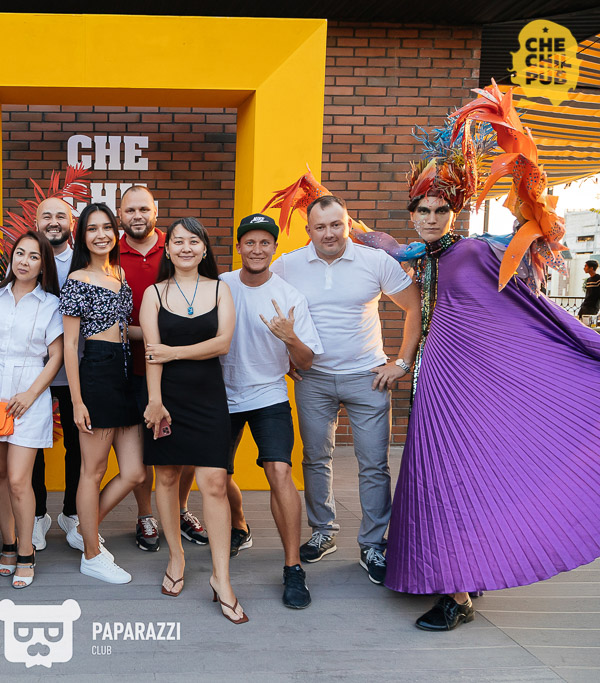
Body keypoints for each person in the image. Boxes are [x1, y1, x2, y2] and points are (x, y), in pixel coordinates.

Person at [384, 85, 600, 631]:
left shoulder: (477, 250)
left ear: (454, 213)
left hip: (476, 382)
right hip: (436, 380)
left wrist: (530, 188)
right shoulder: (419, 255)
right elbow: (376, 243)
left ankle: (457, 595)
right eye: (423, 210)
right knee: (434, 475)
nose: (431, 217)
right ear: (413, 214)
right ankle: (457, 573)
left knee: (462, 474)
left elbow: (535, 239)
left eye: (441, 210)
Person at [270, 194, 421, 585]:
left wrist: (402, 363)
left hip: (368, 377)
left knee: (373, 464)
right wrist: (285, 356)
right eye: (320, 227)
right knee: (315, 458)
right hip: (313, 378)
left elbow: (413, 306)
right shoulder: (286, 265)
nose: (329, 233)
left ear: (348, 224)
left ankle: (373, 545)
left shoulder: (376, 262)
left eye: (336, 224)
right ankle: (324, 531)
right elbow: (266, 310)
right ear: (308, 230)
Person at [138, 217, 246, 624]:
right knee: (166, 477)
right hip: (166, 397)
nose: (186, 248)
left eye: (193, 241)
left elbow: (223, 343)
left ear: (204, 249)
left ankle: (222, 578)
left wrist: (175, 352)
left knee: (214, 482)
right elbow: (152, 352)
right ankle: (177, 557)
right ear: (167, 249)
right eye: (178, 241)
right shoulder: (153, 293)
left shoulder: (220, 289)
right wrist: (154, 402)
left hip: (207, 397)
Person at [219, 213, 324, 609]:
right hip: (222, 394)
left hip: (268, 394)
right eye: (250, 242)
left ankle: (293, 567)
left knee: (279, 471)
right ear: (239, 247)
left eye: (265, 243)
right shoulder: (221, 286)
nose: (257, 249)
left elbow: (306, 361)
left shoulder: (289, 296)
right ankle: (239, 525)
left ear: (274, 249)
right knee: (217, 475)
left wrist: (290, 338)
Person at [59, 202, 145, 584]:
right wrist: (77, 401)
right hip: (96, 372)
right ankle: (92, 555)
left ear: (116, 231)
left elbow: (125, 328)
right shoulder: (78, 279)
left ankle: (84, 528)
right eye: (92, 229)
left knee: (134, 472)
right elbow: (70, 345)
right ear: (82, 236)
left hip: (125, 374)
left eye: (106, 227)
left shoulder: (120, 274)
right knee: (92, 472)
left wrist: (166, 333)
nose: (101, 235)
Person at [118, 185, 206, 553]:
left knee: (184, 447)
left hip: (179, 367)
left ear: (155, 211)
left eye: (144, 209)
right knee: (143, 449)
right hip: (129, 370)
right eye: (130, 210)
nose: (137, 216)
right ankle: (145, 515)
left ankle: (181, 509)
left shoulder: (176, 247)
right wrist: (147, 335)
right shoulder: (110, 253)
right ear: (120, 215)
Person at [0, 231, 64, 588]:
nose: (25, 261)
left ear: (43, 265)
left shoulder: (50, 304)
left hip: (30, 394)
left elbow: (56, 355)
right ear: (11, 257)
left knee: (19, 479)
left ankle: (27, 550)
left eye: (34, 256)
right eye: (20, 253)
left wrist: (31, 394)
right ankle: (8, 543)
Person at [30, 196, 81, 550]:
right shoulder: (26, 259)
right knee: (32, 445)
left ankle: (72, 513)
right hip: (37, 370)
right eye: (46, 216)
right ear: (37, 223)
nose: (53, 222)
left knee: (78, 445)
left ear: (71, 223)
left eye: (60, 216)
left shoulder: (84, 260)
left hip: (77, 370)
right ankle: (37, 515)